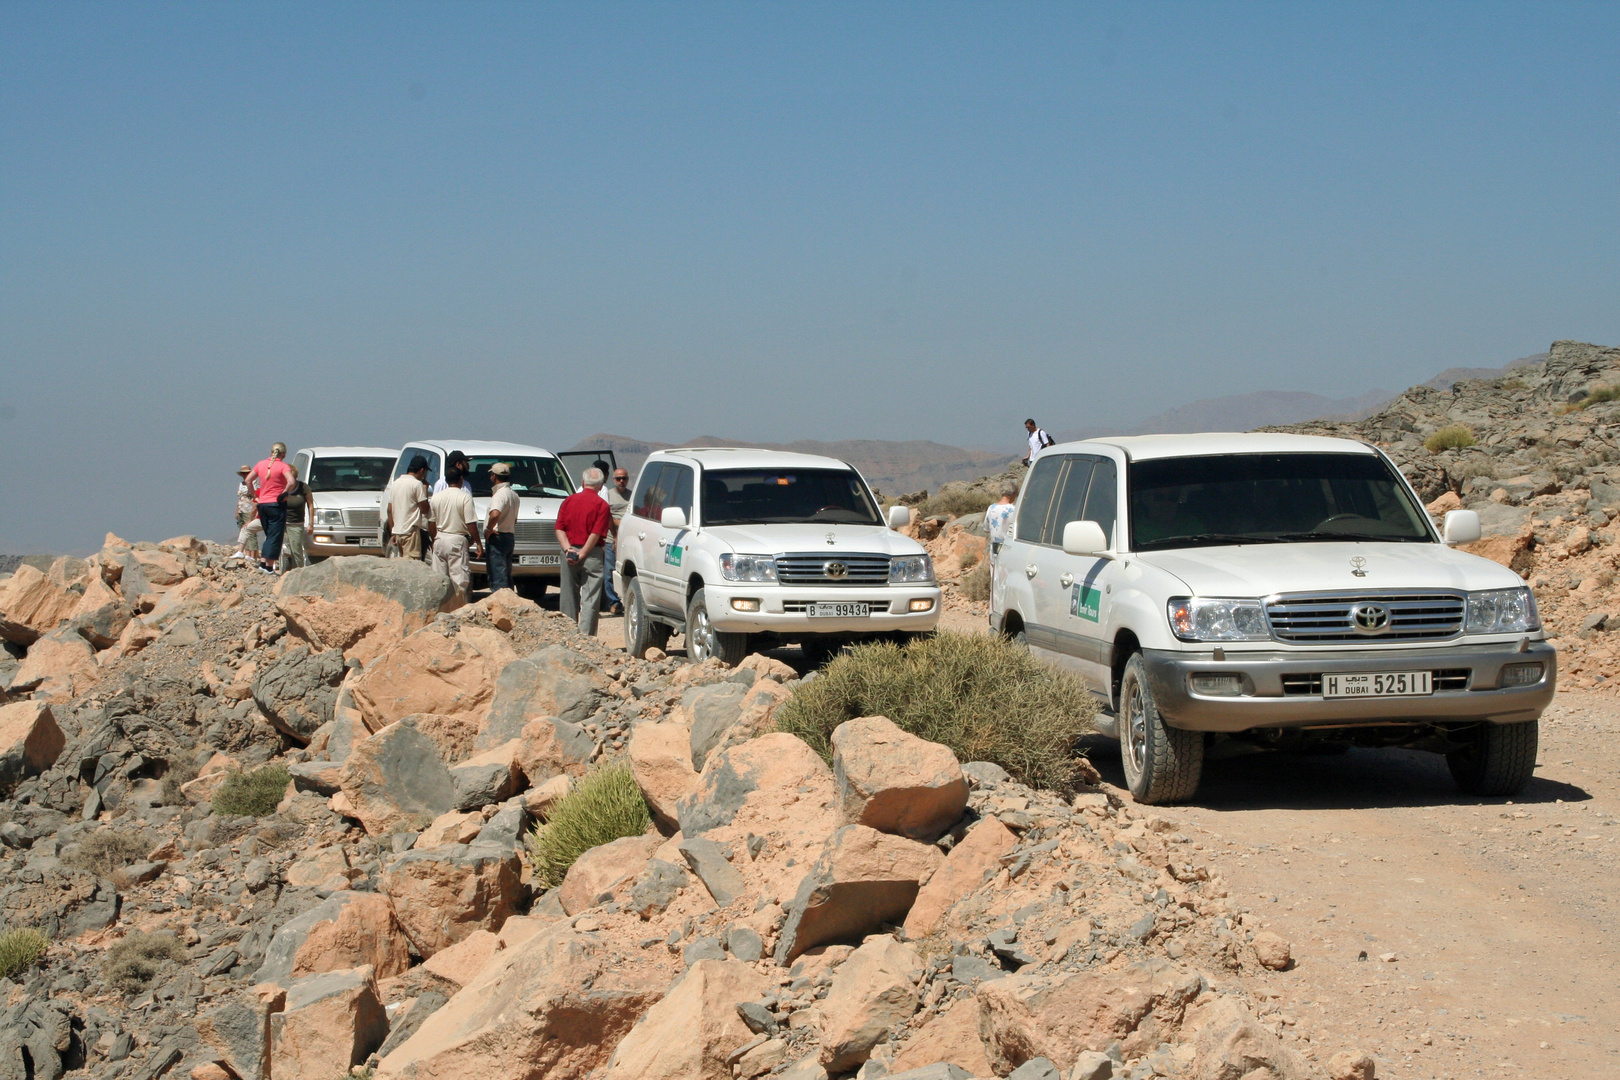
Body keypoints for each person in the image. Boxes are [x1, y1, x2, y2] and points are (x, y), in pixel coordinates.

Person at [554, 467, 612, 635]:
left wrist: (567, 550)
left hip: (569, 552)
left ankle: (568, 635)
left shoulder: (568, 501)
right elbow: (596, 532)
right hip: (592, 554)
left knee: (567, 595)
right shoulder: (602, 505)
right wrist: (584, 553)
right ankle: (586, 639)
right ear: (601, 486)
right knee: (590, 598)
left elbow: (559, 527)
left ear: (582, 483)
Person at [429, 473, 482, 600]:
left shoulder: (436, 497)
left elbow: (431, 522)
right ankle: (458, 610)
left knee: (438, 580)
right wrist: (478, 543)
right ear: (461, 479)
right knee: (459, 581)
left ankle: (440, 609)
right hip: (457, 540)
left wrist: (434, 539)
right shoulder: (465, 497)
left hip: (440, 538)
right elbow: (470, 523)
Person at [247, 443, 296, 573]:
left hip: (262, 504)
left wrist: (254, 496)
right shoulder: (283, 466)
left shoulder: (260, 464)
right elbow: (291, 481)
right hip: (277, 504)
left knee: (269, 534)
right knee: (275, 535)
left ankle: (264, 564)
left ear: (271, 452)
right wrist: (285, 492)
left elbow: (248, 480)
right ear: (284, 454)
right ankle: (268, 566)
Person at [385, 456, 432, 561]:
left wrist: (393, 531)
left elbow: (389, 510)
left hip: (398, 532)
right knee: (412, 566)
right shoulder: (417, 484)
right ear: (422, 470)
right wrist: (425, 490)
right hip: (411, 533)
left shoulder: (396, 483)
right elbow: (425, 510)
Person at [601, 466, 633, 615]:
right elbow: (607, 517)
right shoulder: (608, 495)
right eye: (618, 478)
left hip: (629, 539)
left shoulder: (632, 496)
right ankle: (613, 602)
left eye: (624, 478)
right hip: (611, 539)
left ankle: (629, 600)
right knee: (609, 571)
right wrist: (615, 534)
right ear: (613, 480)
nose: (621, 481)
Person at [485, 461, 520, 592]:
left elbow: (494, 514)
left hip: (497, 537)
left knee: (497, 574)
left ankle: (500, 604)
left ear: (494, 476)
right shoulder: (514, 494)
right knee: (506, 572)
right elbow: (515, 519)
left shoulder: (499, 494)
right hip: (509, 535)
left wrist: (489, 529)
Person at [279, 463, 313, 571]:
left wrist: (311, 524)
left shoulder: (303, 487)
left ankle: (298, 571)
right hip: (282, 522)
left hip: (296, 523)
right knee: (282, 547)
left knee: (296, 548)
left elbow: (311, 505)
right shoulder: (281, 488)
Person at [231, 465, 262, 563]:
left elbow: (257, 496)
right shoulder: (241, 484)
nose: (245, 475)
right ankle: (246, 553)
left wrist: (256, 510)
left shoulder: (253, 483)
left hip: (250, 509)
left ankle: (253, 555)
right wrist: (237, 509)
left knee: (251, 531)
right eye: (243, 473)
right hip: (241, 509)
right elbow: (240, 497)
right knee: (243, 530)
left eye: (246, 473)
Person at [984, 480, 1018, 560]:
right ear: (1014, 493)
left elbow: (986, 529)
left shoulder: (991, 508)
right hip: (1009, 549)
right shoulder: (1014, 510)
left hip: (994, 550)